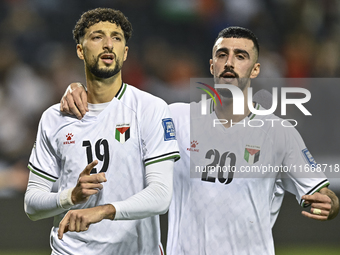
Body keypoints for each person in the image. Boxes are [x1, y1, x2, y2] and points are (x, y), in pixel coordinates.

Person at [60, 27, 339, 255]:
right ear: (212, 64)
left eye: (240, 56)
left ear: (254, 70)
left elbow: (322, 193)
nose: (229, 62)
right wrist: (77, 88)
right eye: (222, 54)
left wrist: (327, 204)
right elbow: (116, 115)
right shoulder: (177, 118)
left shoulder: (279, 132)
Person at [24, 8, 180, 255]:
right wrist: (70, 197)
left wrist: (103, 210)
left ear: (125, 52)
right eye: (97, 37)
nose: (108, 44)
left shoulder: (150, 108)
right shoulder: (54, 118)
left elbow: (160, 196)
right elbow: (32, 204)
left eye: (116, 38)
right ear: (80, 50)